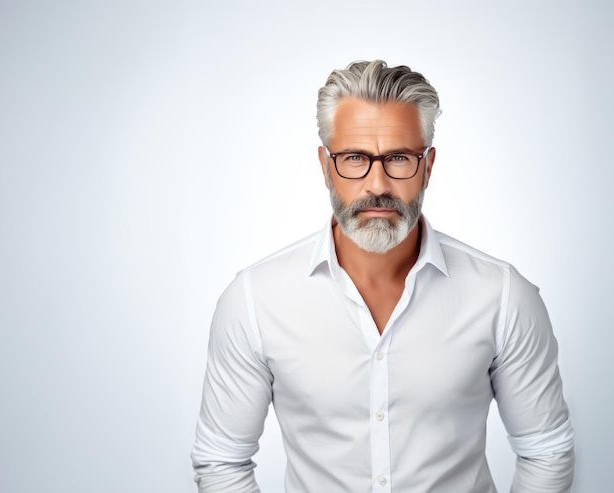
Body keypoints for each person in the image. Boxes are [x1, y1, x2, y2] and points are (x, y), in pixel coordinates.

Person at [191, 60, 574, 492]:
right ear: (325, 166)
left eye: (398, 158)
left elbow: (546, 450)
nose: (377, 184)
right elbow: (222, 461)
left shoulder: (502, 296)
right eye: (355, 157)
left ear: (428, 166)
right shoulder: (255, 300)